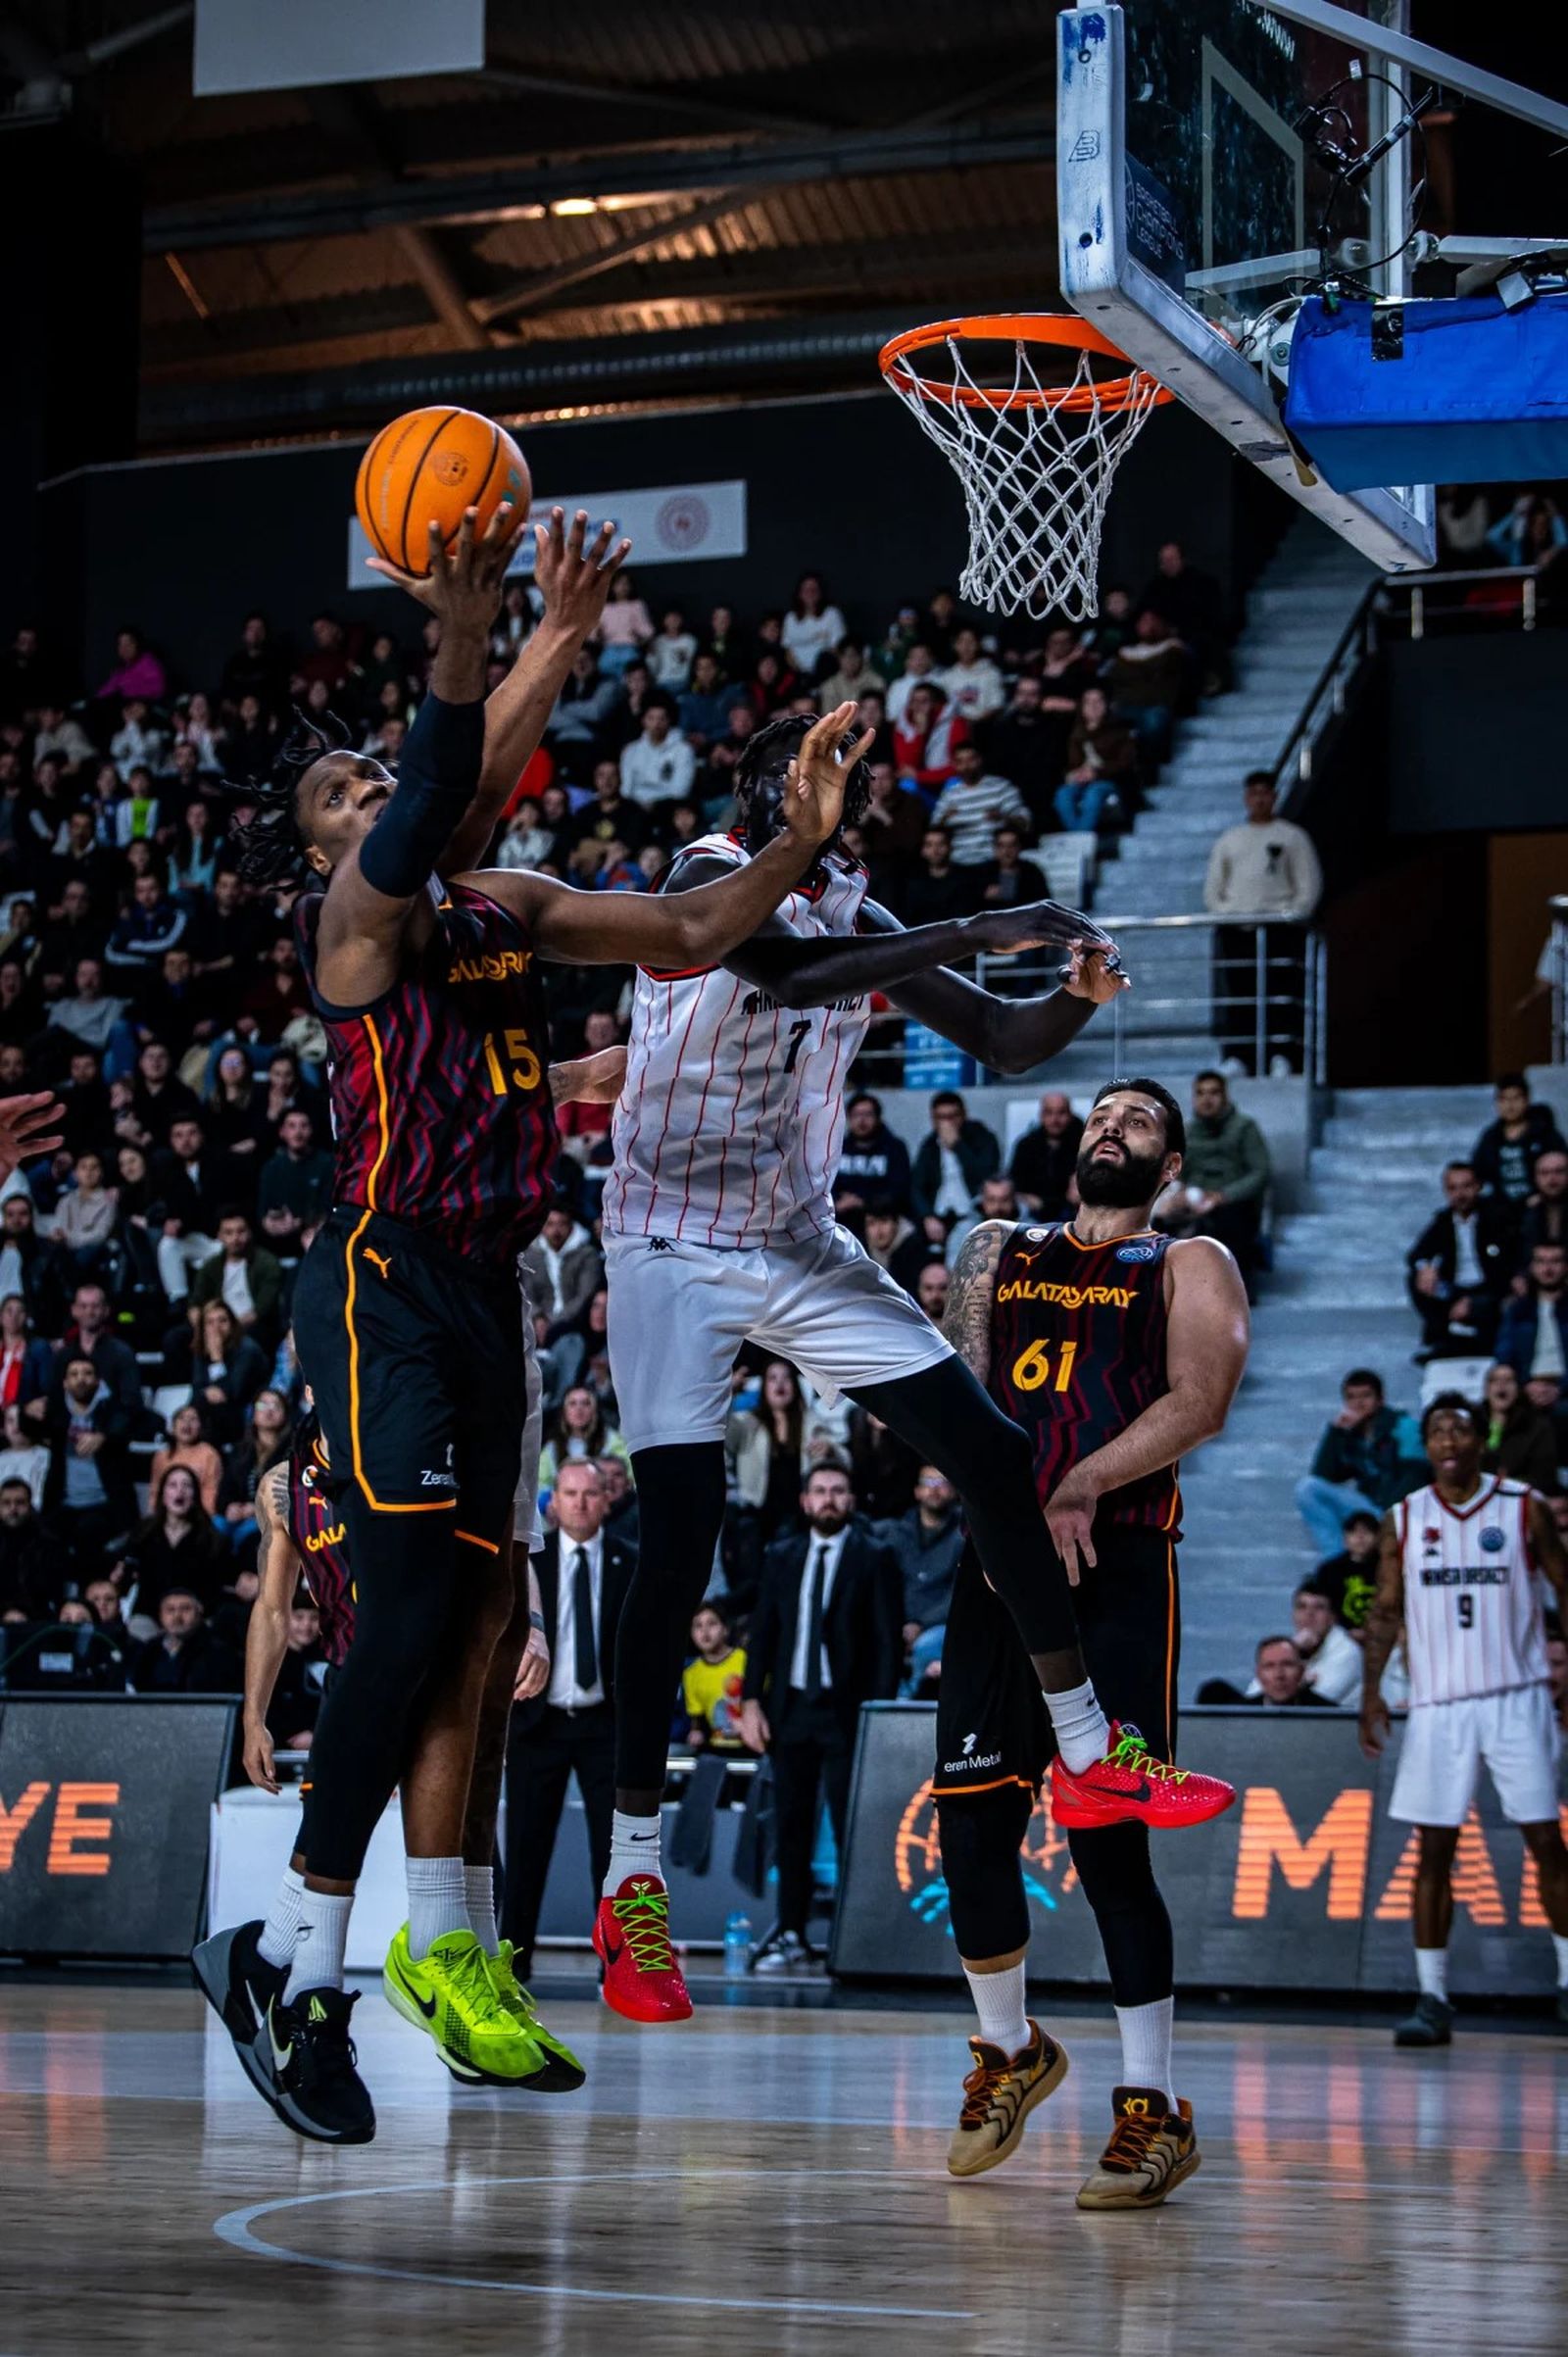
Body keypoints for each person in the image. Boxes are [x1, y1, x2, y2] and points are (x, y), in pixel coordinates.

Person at [220, 507, 857, 2137]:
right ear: (322, 852)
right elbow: (444, 776)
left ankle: (432, 1949)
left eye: (371, 777)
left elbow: (696, 933)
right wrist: (487, 624)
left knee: (485, 1635)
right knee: (406, 1614)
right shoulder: (354, 924)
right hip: (380, 1277)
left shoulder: (500, 900)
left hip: (493, 1289)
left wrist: (797, 840)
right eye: (343, 796)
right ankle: (296, 1965)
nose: (373, 796)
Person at [597, 713, 1229, 2029]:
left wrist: (1075, 992)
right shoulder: (707, 871)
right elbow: (791, 976)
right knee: (681, 1536)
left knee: (993, 1448)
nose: (852, 795)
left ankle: (1088, 1746)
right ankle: (631, 1878)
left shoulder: (857, 906)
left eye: (857, 777)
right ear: (768, 788)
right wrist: (982, 923)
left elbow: (1001, 1041)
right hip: (669, 1241)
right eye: (823, 773)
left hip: (794, 1237)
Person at [931, 1078, 1247, 2199]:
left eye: (1140, 1120)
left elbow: (1200, 1398)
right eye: (1103, 1113)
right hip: (996, 1567)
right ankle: (1009, 2049)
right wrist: (997, 1505)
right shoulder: (995, 1246)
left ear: (1171, 1164)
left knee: (1107, 1836)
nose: (1113, 1125)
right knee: (971, 1829)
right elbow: (952, 1388)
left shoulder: (1187, 1258)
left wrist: (1082, 1481)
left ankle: (1152, 2105)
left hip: (1119, 1562)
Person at [195, 1403, 581, 2112]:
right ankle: (284, 1971)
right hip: (356, 1670)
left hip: (430, 1660)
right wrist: (254, 1714)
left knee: (464, 1819)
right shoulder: (283, 1484)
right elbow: (274, 1607)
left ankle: (282, 1960)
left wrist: (526, 1621)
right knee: (333, 1835)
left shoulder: (412, 1441)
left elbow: (501, 1539)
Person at [1360, 1393, 1568, 2044]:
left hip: (1516, 1693)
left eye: (1460, 1428)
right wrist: (1371, 1691)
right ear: (1426, 1445)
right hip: (1438, 1703)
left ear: (1481, 1439)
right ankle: (1433, 1998)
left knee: (1547, 1840)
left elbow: (1565, 1584)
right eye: (1437, 1430)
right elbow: (1386, 1610)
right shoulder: (1404, 1517)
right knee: (1433, 1851)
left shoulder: (1524, 1505)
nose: (1448, 1438)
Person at [739, 1461, 904, 1966]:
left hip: (846, 1711)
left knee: (853, 1825)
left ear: (850, 1500)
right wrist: (751, 1700)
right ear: (805, 1501)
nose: (829, 1499)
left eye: (838, 1490)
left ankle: (858, 1937)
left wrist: (878, 1713)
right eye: (820, 1491)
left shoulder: (875, 1556)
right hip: (791, 1708)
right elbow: (763, 1633)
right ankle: (791, 1931)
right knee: (791, 1824)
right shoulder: (782, 1555)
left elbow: (886, 1643)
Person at [501, 1458, 635, 1981]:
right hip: (539, 1722)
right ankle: (515, 1967)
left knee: (612, 1852)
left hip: (605, 1725)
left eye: (590, 1493)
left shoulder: (630, 1560)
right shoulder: (529, 1562)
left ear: (607, 1499)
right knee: (526, 1849)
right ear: (552, 1502)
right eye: (570, 1493)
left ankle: (617, 1969)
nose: (580, 1503)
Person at [1202, 773, 1323, 1076]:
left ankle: (1281, 1055)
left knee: (1280, 995)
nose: (1259, 799)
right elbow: (1213, 890)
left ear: (1274, 797)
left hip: (1279, 929)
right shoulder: (1230, 839)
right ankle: (1239, 1057)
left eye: (1265, 793)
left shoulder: (1292, 837)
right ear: (1246, 798)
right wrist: (1231, 913)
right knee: (1239, 995)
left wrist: (1291, 914)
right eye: (1254, 793)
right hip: (1237, 930)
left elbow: (1309, 885)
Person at [1295, 1367, 1424, 1560]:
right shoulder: (1352, 1433)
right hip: (1370, 1508)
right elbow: (1324, 1475)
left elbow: (1415, 1477)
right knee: (1308, 1489)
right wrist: (1336, 1431)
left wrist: (1390, 1516)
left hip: (1400, 1512)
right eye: (1351, 1397)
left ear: (1380, 1399)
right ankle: (1336, 1562)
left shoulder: (1404, 1426)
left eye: (1365, 1396)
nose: (1358, 1403)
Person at [1155, 1070, 1270, 1283]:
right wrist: (1177, 1194)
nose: (1207, 1099)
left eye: (1214, 1093)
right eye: (1200, 1093)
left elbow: (1260, 1173)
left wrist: (1222, 1196)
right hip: (1195, 1198)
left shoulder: (1244, 1128)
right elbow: (1177, 1171)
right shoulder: (1188, 1132)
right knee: (1159, 1223)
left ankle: (1232, 1287)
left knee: (1228, 1222)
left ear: (1225, 1096)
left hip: (1233, 1202)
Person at [1406, 1161, 1515, 1362]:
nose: (1460, 1194)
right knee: (1415, 1279)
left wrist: (1473, 1302)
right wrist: (1425, 1267)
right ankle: (1440, 1338)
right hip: (1454, 1288)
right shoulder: (1443, 1221)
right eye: (1453, 1188)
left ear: (1478, 1187)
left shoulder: (1497, 1217)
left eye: (1466, 1186)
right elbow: (1416, 1254)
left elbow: (1508, 1265)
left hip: (1489, 1288)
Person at [884, 1463, 964, 1694]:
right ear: (917, 1491)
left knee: (927, 1645)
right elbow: (888, 1587)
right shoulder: (897, 1534)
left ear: (953, 1490)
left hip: (941, 1626)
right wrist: (900, 1624)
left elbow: (957, 1593)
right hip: (900, 1624)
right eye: (928, 1483)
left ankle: (909, 1702)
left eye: (941, 1482)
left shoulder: (964, 1535)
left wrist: (920, 1624)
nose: (934, 1489)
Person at [910, 1090, 1002, 1247]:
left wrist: (958, 1146)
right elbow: (916, 1186)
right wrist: (927, 1216)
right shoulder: (929, 1145)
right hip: (939, 1217)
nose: (947, 1123)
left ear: (963, 1115)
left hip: (974, 1215)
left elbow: (986, 1177)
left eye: (952, 1116)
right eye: (941, 1117)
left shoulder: (983, 1138)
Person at [1471, 1075, 1566, 1216]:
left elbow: (1561, 1168)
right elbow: (1478, 1172)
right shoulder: (1490, 1137)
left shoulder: (1545, 1134)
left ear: (1527, 1100)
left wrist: (1542, 1195)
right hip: (1501, 1209)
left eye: (1516, 1098)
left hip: (1540, 1207)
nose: (1510, 1105)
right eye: (1504, 1099)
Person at [931, 742, 1029, 867]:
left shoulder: (1001, 787)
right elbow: (934, 828)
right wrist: (944, 820)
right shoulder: (949, 795)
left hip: (994, 861)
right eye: (960, 762)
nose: (966, 766)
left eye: (970, 760)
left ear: (979, 760)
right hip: (958, 863)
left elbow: (1025, 823)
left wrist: (1004, 818)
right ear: (954, 765)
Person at [127, 1587, 240, 1694]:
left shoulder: (218, 1652)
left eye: (185, 1609)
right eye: (170, 1610)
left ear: (199, 1613)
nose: (177, 1616)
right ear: (160, 1615)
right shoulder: (148, 1651)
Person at [1496, 1241, 1568, 1396]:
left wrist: (1561, 1388)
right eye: (1541, 1261)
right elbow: (1505, 1353)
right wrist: (1524, 1385)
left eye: (1555, 1261)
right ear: (1532, 1267)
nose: (1548, 1269)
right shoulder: (1518, 1310)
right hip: (1527, 1387)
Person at [1481, 1359, 1559, 1493]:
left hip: (1522, 1495)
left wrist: (1508, 1484)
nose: (1501, 1385)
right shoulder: (1472, 1425)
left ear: (1518, 1390)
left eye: (1508, 1380)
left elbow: (1544, 1476)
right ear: (1486, 1390)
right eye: (1495, 1380)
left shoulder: (1537, 1427)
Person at [831, 1090, 912, 1217]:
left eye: (868, 1115)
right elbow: (827, 1186)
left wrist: (864, 1202)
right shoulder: (837, 1148)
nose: (862, 1120)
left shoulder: (894, 1148)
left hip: (882, 1216)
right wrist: (837, 1203)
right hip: (841, 1215)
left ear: (878, 1118)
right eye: (856, 1115)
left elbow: (899, 1190)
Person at [1008, 1091, 1084, 1222]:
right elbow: (1014, 1182)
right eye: (1049, 1113)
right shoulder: (1026, 1145)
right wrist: (1025, 1197)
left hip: (1073, 1211)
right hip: (1033, 1212)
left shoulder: (1084, 1144)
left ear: (1070, 1114)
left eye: (1061, 1113)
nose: (1055, 1119)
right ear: (1041, 1115)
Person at [682, 1601, 747, 1750]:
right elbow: (697, 1720)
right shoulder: (691, 1673)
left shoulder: (745, 1660)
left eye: (712, 1623)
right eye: (698, 1626)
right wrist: (696, 1733)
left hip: (751, 1746)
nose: (705, 1631)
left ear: (725, 1630)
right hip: (716, 1749)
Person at [1284, 1584, 1361, 1704]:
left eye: (1319, 1607)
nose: (1309, 1613)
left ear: (1333, 1617)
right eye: (1302, 1607)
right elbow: (1256, 1694)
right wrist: (1293, 1651)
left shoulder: (1348, 1651)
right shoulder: (1293, 1645)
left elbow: (1317, 1703)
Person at [1309, 1507, 1383, 1632]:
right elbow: (1322, 1607)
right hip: (1338, 1634)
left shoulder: (1388, 1569)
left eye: (1367, 1532)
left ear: (1377, 1538)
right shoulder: (1329, 1571)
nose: (1360, 1537)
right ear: (1345, 1538)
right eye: (1353, 1532)